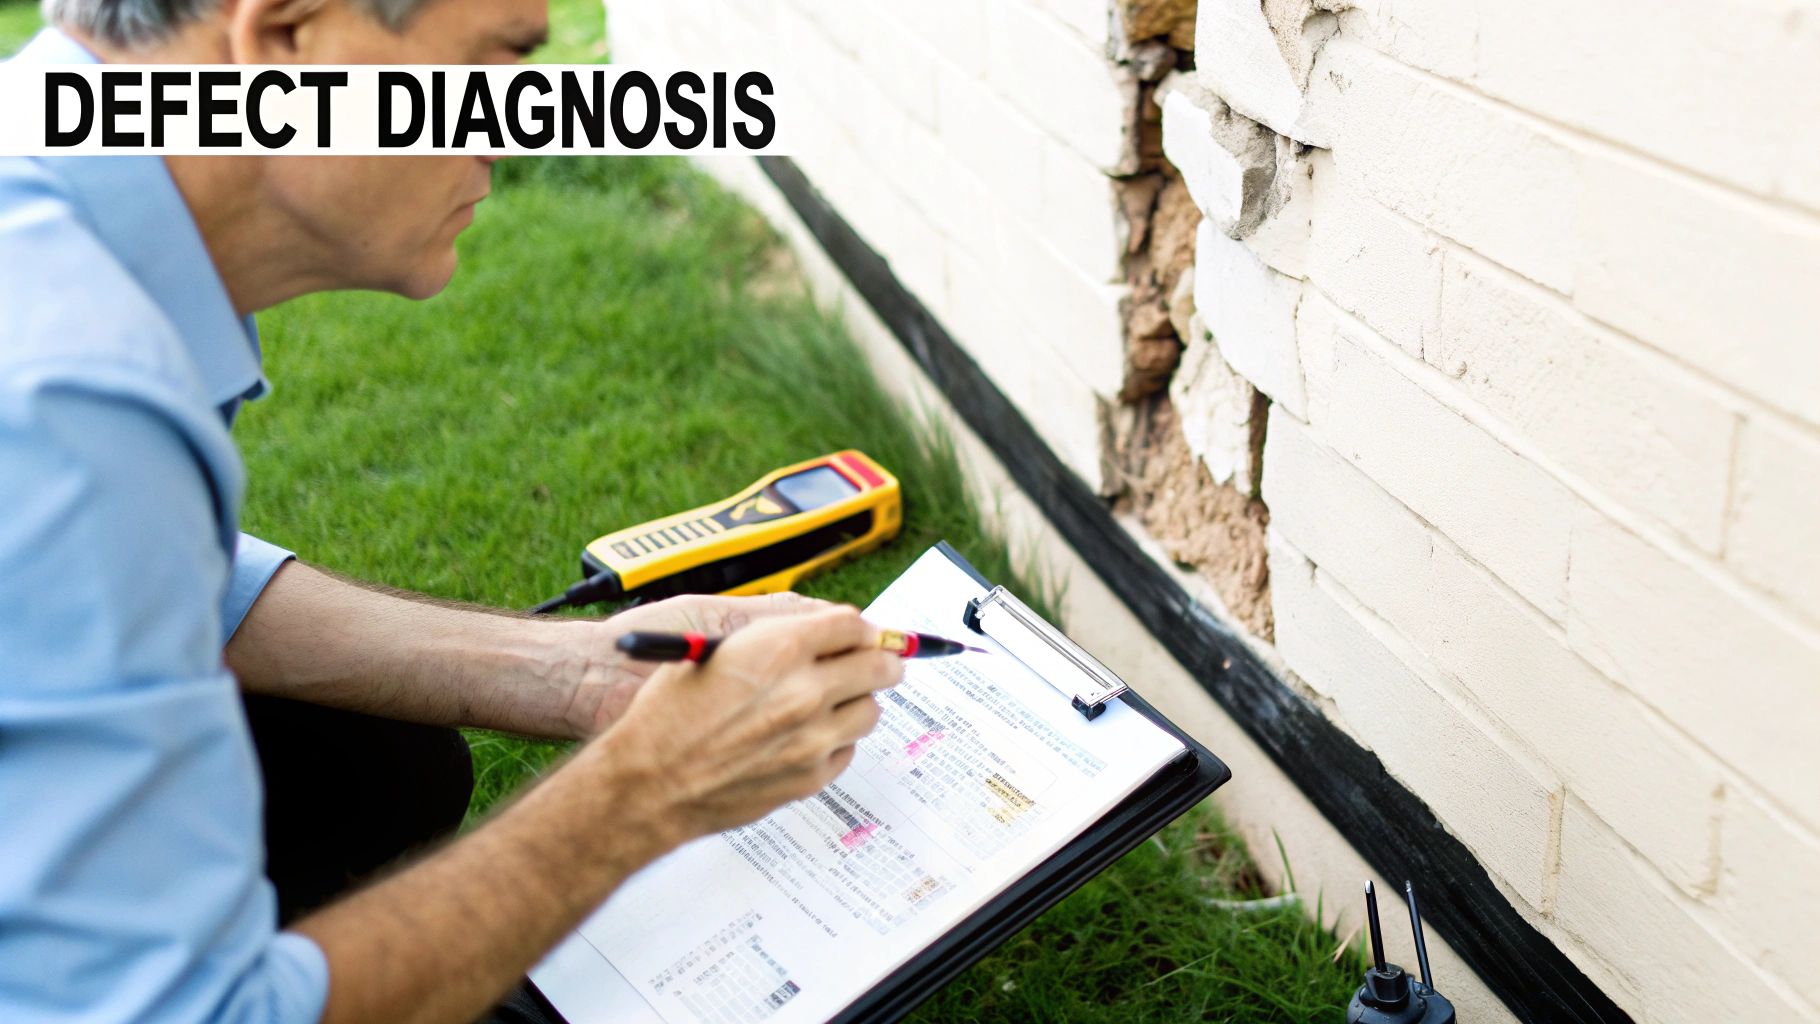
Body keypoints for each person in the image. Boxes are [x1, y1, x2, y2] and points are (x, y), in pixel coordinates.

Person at [0, 1, 904, 1022]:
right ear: (290, 36)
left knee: (375, 766)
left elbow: (179, 580)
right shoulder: (65, 391)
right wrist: (648, 787)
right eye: (493, 72)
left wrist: (578, 673)